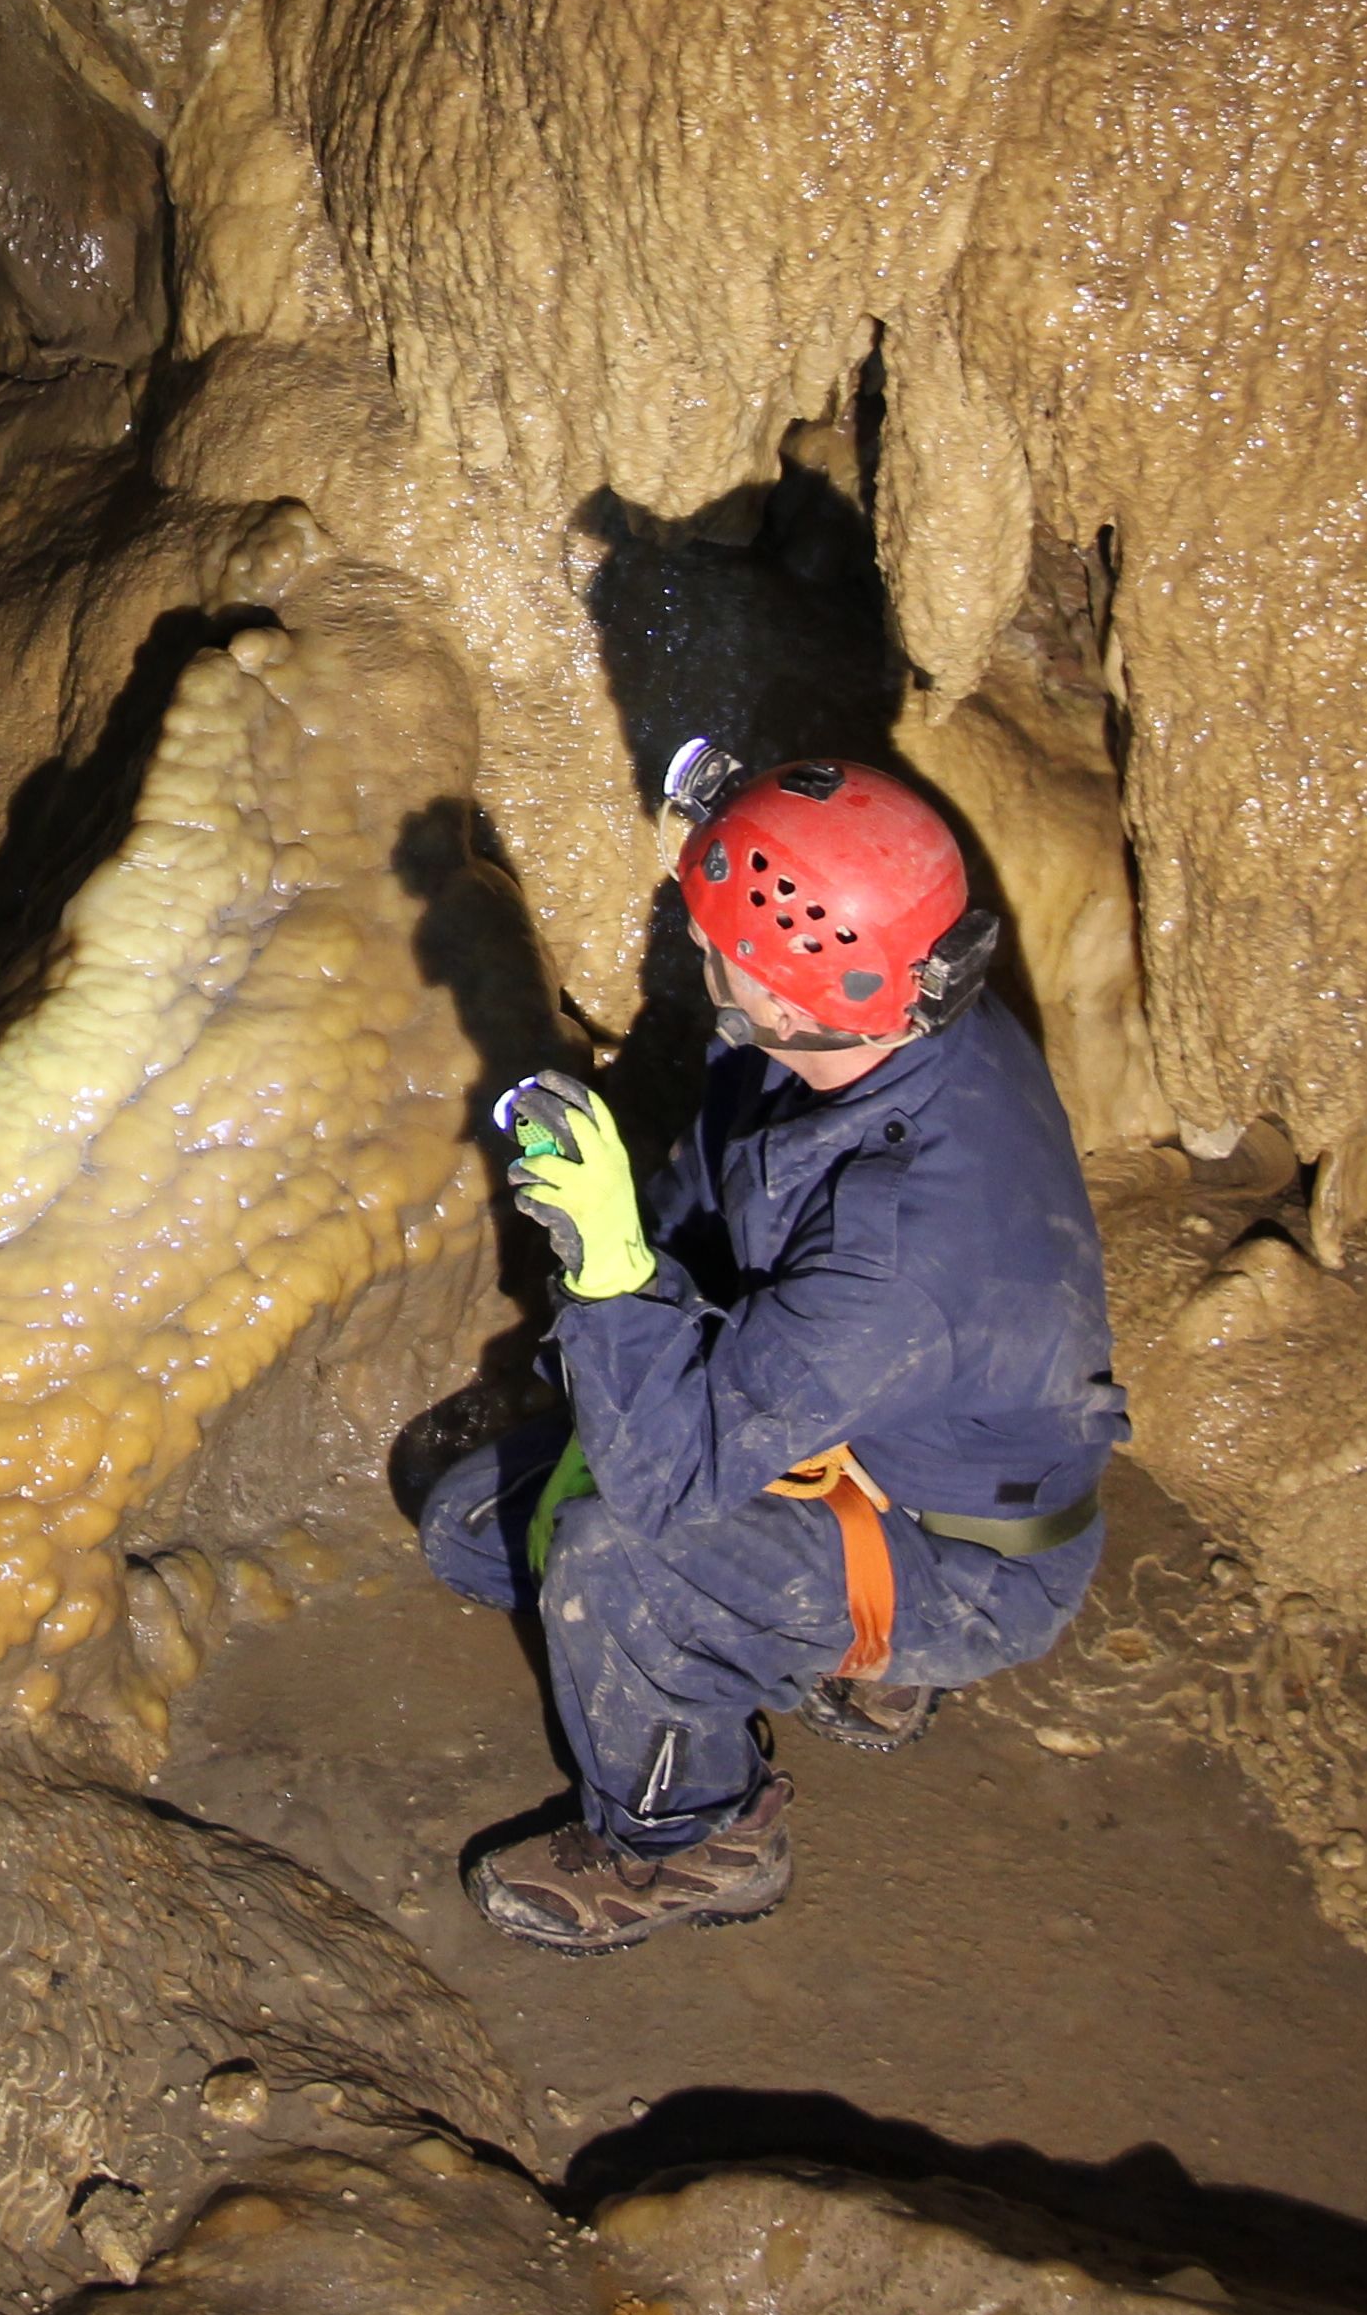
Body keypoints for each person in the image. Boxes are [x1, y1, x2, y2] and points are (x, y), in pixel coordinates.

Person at [420, 744, 1130, 1955]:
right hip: (873, 1419)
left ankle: (695, 1843)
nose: (692, 947)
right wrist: (601, 1331)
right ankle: (799, 1649)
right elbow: (723, 1195)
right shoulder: (855, 1036)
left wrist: (606, 1272)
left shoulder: (905, 1255)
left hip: (962, 1551)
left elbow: (659, 1485)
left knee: (606, 1563)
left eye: (714, 937)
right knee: (472, 1533)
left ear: (795, 993)